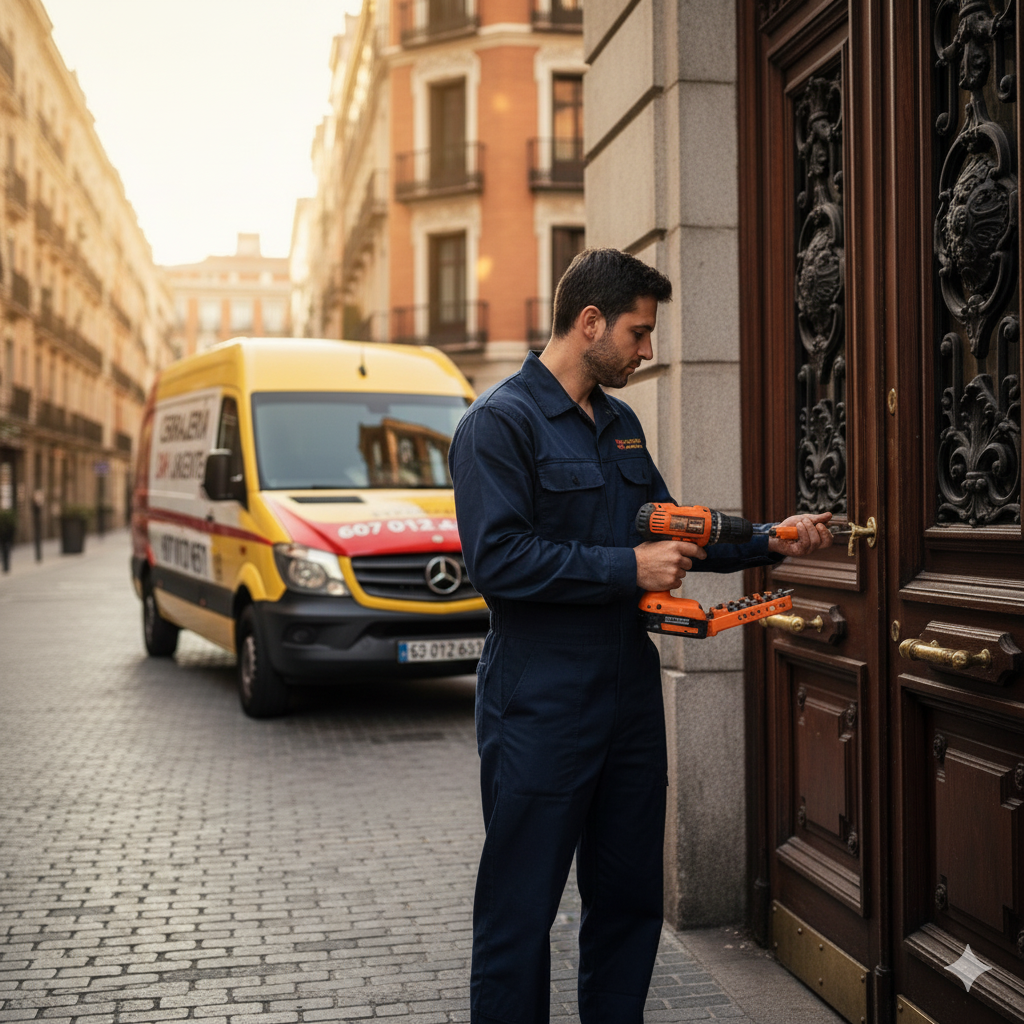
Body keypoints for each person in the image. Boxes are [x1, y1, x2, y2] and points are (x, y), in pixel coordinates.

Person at [448, 248, 832, 1024]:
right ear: (588, 323)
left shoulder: (619, 424)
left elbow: (669, 530)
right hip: (540, 698)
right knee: (519, 910)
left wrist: (768, 539)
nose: (647, 348)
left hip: (627, 692)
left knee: (628, 898)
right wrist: (628, 569)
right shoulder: (498, 425)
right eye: (638, 331)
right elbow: (499, 561)